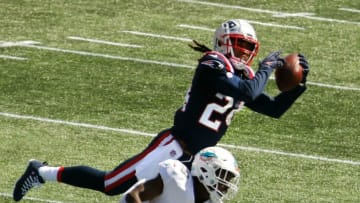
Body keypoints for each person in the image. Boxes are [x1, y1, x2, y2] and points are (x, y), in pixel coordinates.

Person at [13, 19, 310, 202]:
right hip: (173, 146)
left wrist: (298, 87)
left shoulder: (244, 78)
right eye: (239, 44)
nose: (245, 52)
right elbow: (249, 91)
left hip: (195, 157)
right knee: (112, 184)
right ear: (223, 42)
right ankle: (42, 172)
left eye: (249, 47)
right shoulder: (213, 62)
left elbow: (272, 109)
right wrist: (266, 69)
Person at [119, 146, 240, 203]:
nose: (227, 186)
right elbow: (134, 195)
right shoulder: (177, 179)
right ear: (206, 171)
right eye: (224, 178)